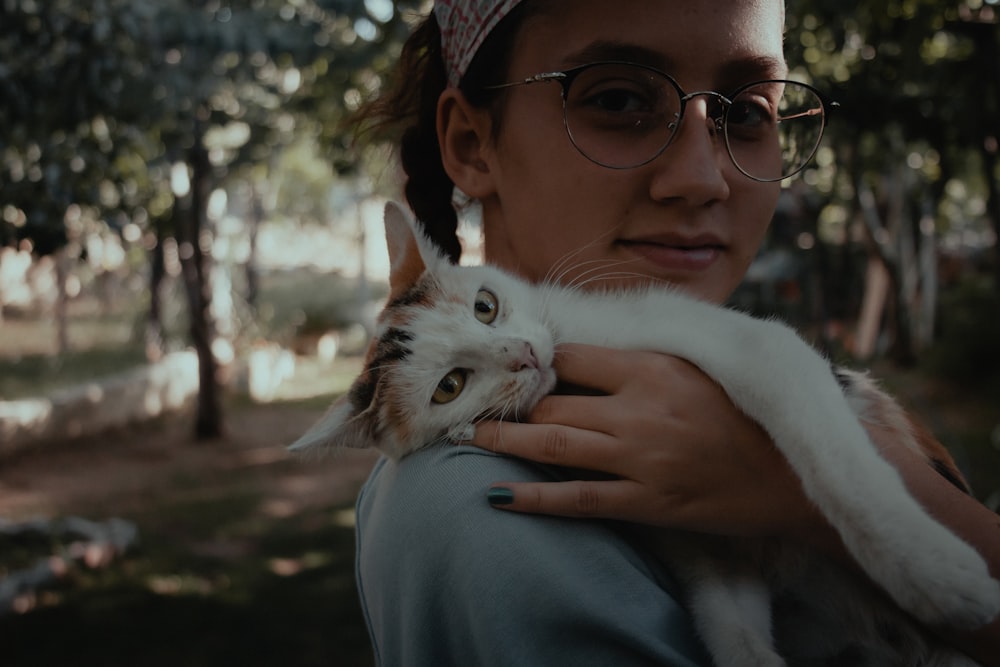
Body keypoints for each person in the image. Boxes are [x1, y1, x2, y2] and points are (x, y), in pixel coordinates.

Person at [350, 1, 1000, 664]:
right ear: (469, 143)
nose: (703, 177)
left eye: (747, 112)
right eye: (620, 98)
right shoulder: (480, 510)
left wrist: (803, 490)